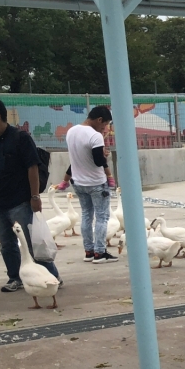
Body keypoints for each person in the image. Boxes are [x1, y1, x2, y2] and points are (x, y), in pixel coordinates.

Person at [0, 97, 61, 291]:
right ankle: (15, 278)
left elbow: (32, 167)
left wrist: (35, 196)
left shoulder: (21, 138)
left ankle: (51, 276)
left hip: (20, 202)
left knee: (32, 243)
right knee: (7, 245)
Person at [65, 106, 117, 263]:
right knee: (102, 217)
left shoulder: (71, 131)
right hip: (96, 182)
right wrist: (104, 154)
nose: (105, 128)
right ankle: (100, 253)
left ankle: (89, 250)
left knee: (86, 215)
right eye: (105, 124)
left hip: (79, 182)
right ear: (99, 119)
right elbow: (98, 161)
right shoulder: (95, 136)